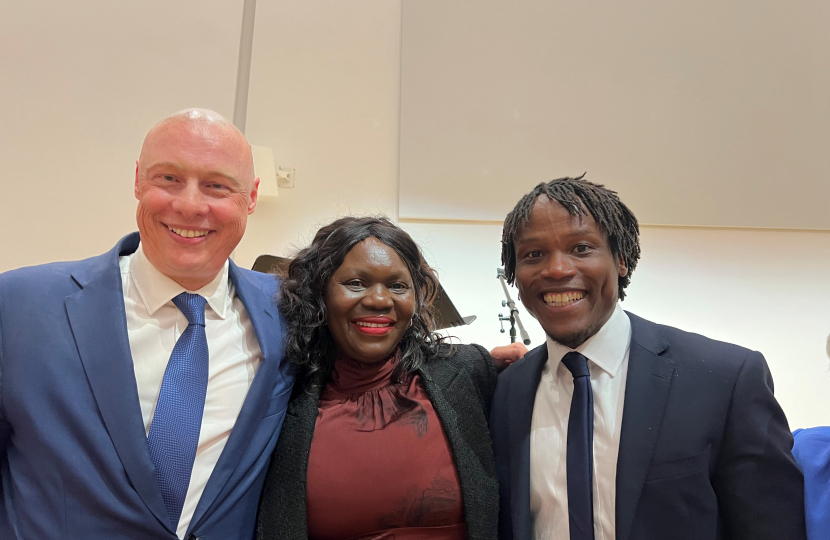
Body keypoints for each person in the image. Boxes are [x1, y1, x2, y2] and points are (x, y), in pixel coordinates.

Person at [0, 109, 294, 540]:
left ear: (250, 197)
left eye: (216, 185)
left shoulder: (289, 312)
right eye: (168, 179)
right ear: (138, 180)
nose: (190, 205)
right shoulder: (20, 305)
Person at [489, 176, 806, 540]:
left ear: (621, 259)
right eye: (534, 254)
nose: (557, 269)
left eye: (581, 248)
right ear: (515, 273)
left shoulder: (725, 379)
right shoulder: (503, 393)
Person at [257, 216, 499, 540]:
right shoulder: (280, 392)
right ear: (321, 293)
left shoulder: (469, 372)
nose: (380, 300)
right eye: (356, 283)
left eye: (398, 286)